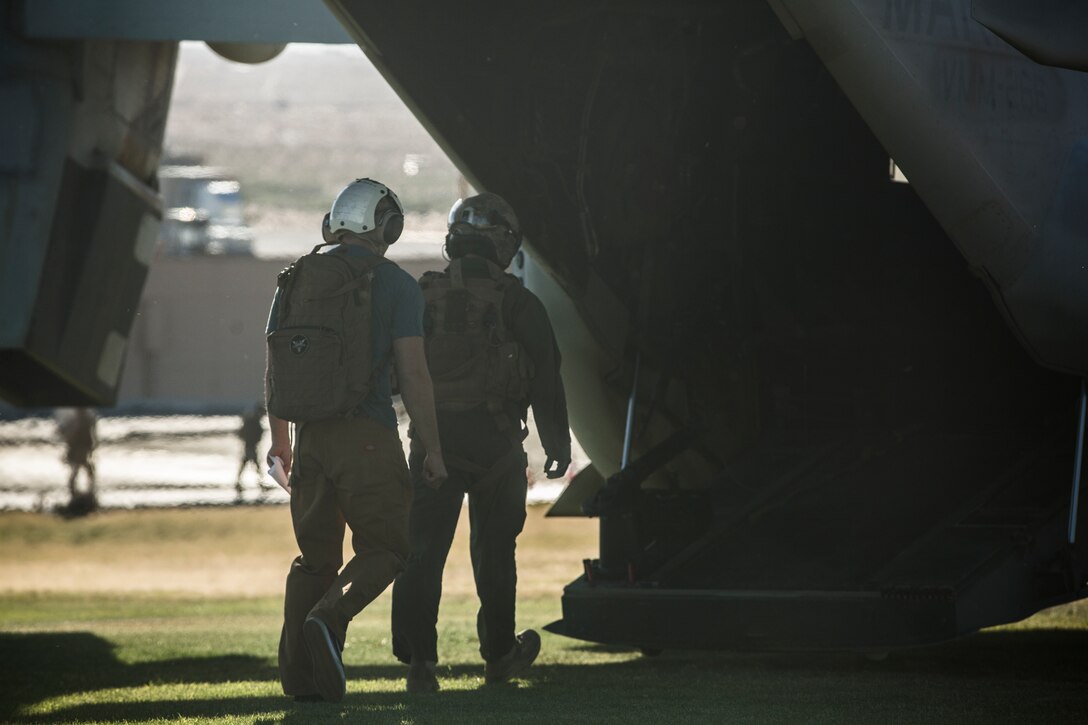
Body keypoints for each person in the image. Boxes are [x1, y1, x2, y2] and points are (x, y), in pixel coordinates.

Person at [265, 178, 447, 703]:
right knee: (387, 547)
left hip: (309, 439)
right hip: (367, 437)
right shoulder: (395, 284)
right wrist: (432, 449)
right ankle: (331, 615)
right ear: (387, 226)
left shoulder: (293, 279)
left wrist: (282, 445)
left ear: (334, 223)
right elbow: (413, 375)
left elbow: (277, 362)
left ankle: (302, 683)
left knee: (315, 560)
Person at [391, 192, 571, 692]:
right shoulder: (519, 302)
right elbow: (547, 380)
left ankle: (420, 666)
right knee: (495, 553)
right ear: (505, 244)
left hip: (432, 443)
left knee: (422, 551)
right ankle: (497, 658)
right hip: (496, 443)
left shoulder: (419, 295)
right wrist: (557, 444)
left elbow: (393, 373)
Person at [57, 407, 98, 507]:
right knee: (81, 468)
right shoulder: (80, 421)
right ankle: (81, 490)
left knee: (81, 468)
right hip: (79, 448)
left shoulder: (81, 420)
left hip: (80, 447)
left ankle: (81, 490)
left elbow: (90, 435)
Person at [234, 403, 272, 498]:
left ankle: (240, 483)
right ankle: (259, 483)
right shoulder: (253, 421)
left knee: (247, 465)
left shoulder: (251, 420)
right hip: (250, 447)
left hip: (250, 446)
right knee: (253, 465)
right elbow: (249, 434)